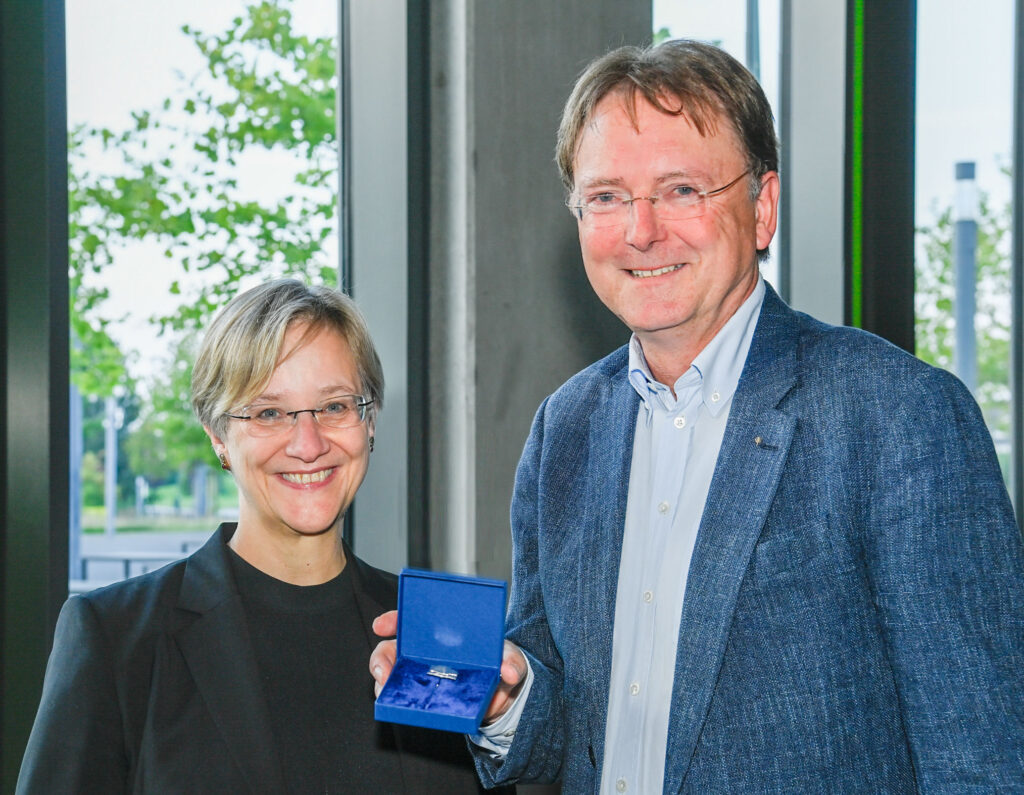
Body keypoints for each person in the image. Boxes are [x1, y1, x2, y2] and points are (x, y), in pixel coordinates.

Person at [372, 39, 1024, 792]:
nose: (641, 230)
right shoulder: (566, 429)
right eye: (607, 196)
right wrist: (510, 700)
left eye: (681, 190)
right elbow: (582, 735)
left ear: (763, 208)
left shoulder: (897, 415)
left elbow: (981, 753)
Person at [18, 279, 492, 793]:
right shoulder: (115, 638)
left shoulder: (439, 631)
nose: (308, 445)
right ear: (219, 437)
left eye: (334, 406)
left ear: (369, 420)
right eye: (269, 413)